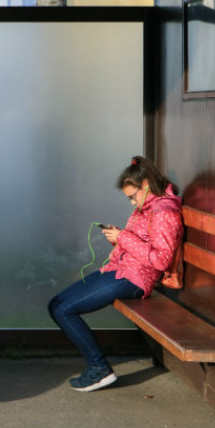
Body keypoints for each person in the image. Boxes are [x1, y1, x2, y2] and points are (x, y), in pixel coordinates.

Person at [48, 156, 183, 392]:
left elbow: (160, 261)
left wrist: (123, 237)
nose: (131, 203)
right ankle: (98, 368)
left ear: (146, 185)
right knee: (55, 304)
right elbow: (140, 244)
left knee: (63, 310)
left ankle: (99, 369)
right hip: (120, 271)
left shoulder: (163, 213)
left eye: (132, 197)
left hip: (135, 280)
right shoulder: (148, 207)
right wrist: (118, 238)